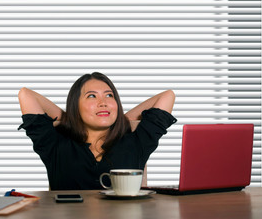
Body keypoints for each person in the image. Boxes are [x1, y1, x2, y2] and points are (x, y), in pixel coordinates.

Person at [18, 72, 176, 190]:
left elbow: (168, 96)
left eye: (109, 95)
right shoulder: (56, 145)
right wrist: (70, 117)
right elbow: (26, 94)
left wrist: (121, 119)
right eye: (92, 96)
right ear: (75, 106)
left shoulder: (136, 142)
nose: (103, 102)